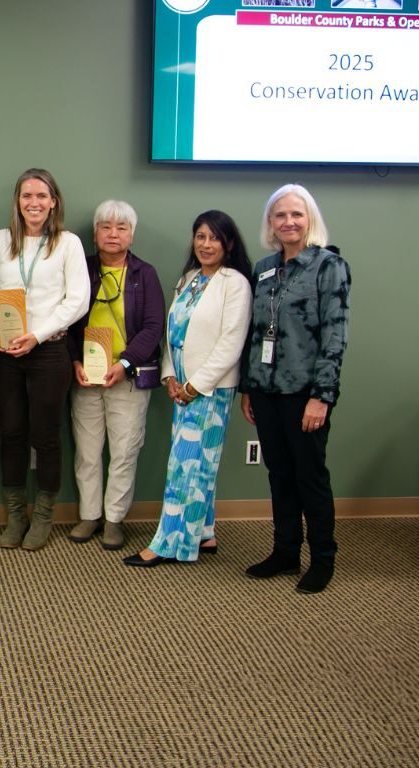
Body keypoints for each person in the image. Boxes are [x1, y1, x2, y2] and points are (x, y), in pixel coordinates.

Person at [123, 210, 253, 567]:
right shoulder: (190, 279)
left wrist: (195, 386)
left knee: (185, 468)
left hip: (209, 391)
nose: (206, 244)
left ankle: (169, 543)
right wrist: (170, 377)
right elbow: (172, 335)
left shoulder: (235, 283)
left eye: (214, 238)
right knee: (200, 464)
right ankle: (204, 532)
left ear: (228, 243)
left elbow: (231, 344)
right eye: (200, 236)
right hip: (181, 387)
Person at [240, 184, 352, 594]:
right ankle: (285, 551)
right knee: (279, 475)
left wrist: (322, 396)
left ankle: (322, 558)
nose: (288, 222)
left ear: (310, 220)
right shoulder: (265, 267)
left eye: (297, 215)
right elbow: (255, 332)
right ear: (270, 222)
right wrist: (248, 389)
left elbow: (335, 337)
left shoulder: (329, 266)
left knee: (310, 478)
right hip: (266, 391)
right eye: (280, 215)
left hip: (305, 393)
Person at [0, 168, 90, 551]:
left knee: (45, 435)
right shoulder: (0, 242)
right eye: (27, 196)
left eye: (41, 196)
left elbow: (77, 300)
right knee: (11, 432)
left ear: (53, 202)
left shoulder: (68, 243)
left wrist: (37, 336)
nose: (34, 203)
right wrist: (2, 329)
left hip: (49, 350)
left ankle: (43, 516)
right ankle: (15, 516)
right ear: (17, 201)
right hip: (7, 352)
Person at [68, 200, 165, 551]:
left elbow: (154, 327)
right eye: (106, 227)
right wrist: (73, 362)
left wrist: (124, 364)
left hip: (127, 378)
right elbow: (69, 319)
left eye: (121, 228)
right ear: (94, 233)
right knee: (88, 452)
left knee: (124, 451)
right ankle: (89, 515)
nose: (113, 234)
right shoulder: (82, 268)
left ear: (132, 235)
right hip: (85, 378)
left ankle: (113, 520)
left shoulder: (145, 274)